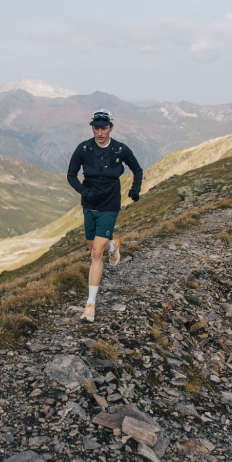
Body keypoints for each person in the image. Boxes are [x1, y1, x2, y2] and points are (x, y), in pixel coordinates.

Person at [67, 108, 143, 322]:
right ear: (92, 128)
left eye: (104, 128)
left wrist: (135, 188)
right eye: (96, 128)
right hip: (89, 205)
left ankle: (90, 304)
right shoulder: (83, 149)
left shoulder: (120, 149)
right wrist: (84, 191)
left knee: (95, 254)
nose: (100, 132)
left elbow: (137, 169)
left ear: (111, 127)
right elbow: (71, 175)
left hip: (110, 206)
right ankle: (114, 246)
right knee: (93, 248)